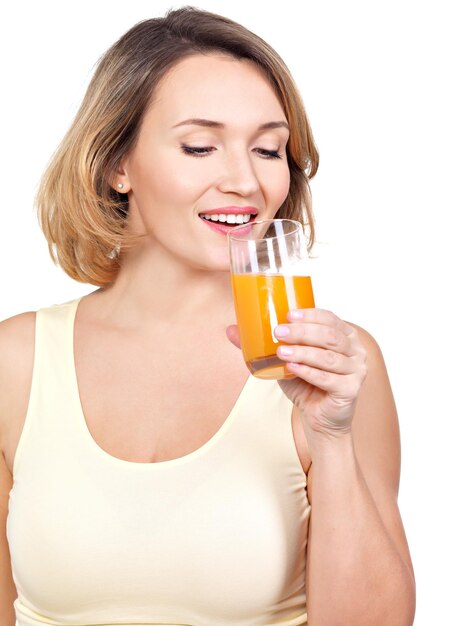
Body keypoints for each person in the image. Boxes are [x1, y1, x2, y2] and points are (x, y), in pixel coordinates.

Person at [0, 7, 416, 626]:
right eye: (199, 146)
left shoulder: (333, 364)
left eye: (269, 149)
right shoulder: (18, 361)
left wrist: (331, 440)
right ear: (117, 165)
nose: (245, 180)